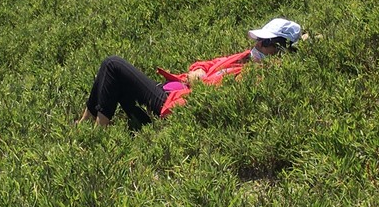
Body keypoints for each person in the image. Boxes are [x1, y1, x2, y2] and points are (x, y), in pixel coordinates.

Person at [76, 18, 301, 128]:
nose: (259, 44)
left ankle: (97, 132)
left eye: (267, 42)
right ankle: (86, 122)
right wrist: (199, 70)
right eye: (260, 39)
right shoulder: (245, 57)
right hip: (176, 90)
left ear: (281, 49)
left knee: (113, 64)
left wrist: (198, 84)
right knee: (112, 72)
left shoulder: (258, 75)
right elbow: (207, 62)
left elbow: (219, 97)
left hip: (177, 104)